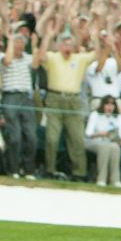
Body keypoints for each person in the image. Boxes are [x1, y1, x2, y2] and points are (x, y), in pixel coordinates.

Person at [32, 30, 96, 181]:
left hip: (73, 100)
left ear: (75, 46)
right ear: (59, 46)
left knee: (77, 139)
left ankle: (79, 173)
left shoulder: (79, 58)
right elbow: (40, 57)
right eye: (64, 43)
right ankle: (50, 169)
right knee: (51, 138)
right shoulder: (53, 57)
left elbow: (97, 56)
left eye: (70, 44)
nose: (67, 46)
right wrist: (47, 36)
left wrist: (101, 40)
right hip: (54, 98)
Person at [0, 31, 37, 179]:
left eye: (21, 43)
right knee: (15, 136)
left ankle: (28, 169)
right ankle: (13, 168)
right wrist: (10, 41)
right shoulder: (3, 56)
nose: (18, 46)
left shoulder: (27, 58)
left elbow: (36, 64)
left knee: (31, 136)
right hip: (10, 96)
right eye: (16, 43)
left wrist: (34, 44)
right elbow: (8, 61)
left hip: (26, 97)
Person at [85, 95, 121, 188]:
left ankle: (115, 180)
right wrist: (101, 134)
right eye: (107, 104)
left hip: (111, 142)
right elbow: (88, 133)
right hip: (94, 141)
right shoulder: (95, 115)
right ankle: (101, 179)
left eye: (112, 104)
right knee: (105, 146)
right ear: (103, 105)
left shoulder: (117, 117)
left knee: (115, 147)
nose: (109, 107)